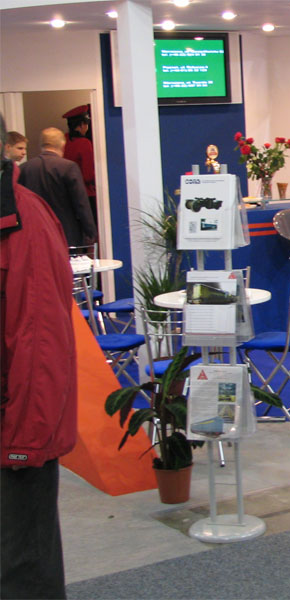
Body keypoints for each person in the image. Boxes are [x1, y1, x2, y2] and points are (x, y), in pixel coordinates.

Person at [0, 113, 78, 600]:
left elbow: (41, 344)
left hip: (13, 431)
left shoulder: (24, 220)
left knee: (21, 569)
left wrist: (22, 444)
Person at [19, 127, 97, 248]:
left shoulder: (24, 169)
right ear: (62, 145)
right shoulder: (68, 167)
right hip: (66, 232)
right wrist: (90, 231)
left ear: (41, 145)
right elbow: (81, 203)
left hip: (34, 232)